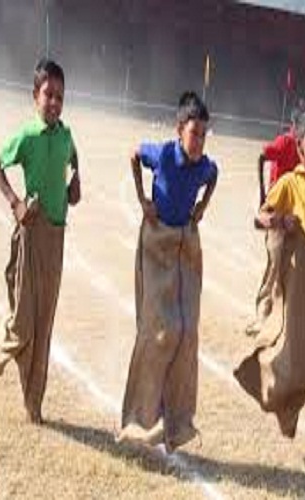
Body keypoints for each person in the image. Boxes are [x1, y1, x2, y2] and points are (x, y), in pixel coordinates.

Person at [117, 91, 218, 453]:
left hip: (184, 245)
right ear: (179, 130)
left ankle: (177, 422)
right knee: (158, 330)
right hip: (156, 243)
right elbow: (133, 154)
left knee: (186, 332)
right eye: (194, 134)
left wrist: (203, 205)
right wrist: (142, 198)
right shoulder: (161, 154)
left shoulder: (203, 166)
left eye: (204, 135)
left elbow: (214, 174)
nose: (199, 141)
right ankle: (138, 418)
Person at [234, 107, 305, 438]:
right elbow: (259, 218)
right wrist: (282, 220)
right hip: (295, 274)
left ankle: (287, 408)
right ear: (299, 144)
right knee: (291, 347)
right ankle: (258, 377)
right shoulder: (288, 183)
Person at [0, 58, 81, 424]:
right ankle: (2, 343)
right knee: (25, 322)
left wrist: (75, 184)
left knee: (45, 325)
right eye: (48, 95)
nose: (55, 102)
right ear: (35, 96)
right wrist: (15, 203)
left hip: (57, 239)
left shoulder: (66, 135)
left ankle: (34, 403)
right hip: (32, 231)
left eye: (60, 96)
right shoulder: (27, 137)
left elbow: (73, 160)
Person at [247, 102, 305, 336]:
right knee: (275, 262)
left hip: (291, 213)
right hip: (275, 210)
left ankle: (282, 313)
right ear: (295, 125)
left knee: (288, 264)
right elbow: (262, 156)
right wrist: (263, 193)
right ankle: (261, 315)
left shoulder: (303, 147)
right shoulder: (285, 142)